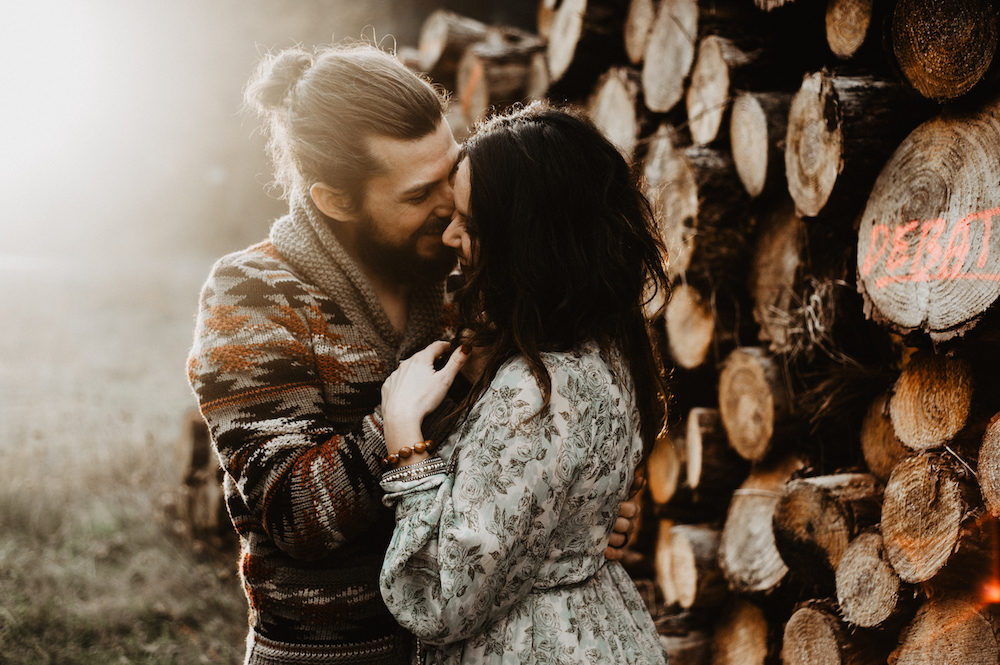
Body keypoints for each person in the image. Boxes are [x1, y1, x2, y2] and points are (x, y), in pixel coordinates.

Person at [186, 43, 637, 665]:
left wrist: (573, 516)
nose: (450, 206)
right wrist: (393, 427)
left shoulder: (471, 273)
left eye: (451, 170)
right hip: (335, 657)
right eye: (419, 194)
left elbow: (527, 450)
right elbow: (293, 516)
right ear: (336, 200)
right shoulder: (254, 295)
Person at [376, 103, 670, 664]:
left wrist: (405, 440)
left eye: (471, 224)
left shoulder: (531, 392)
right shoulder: (610, 346)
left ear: (528, 244)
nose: (450, 233)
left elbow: (440, 602)